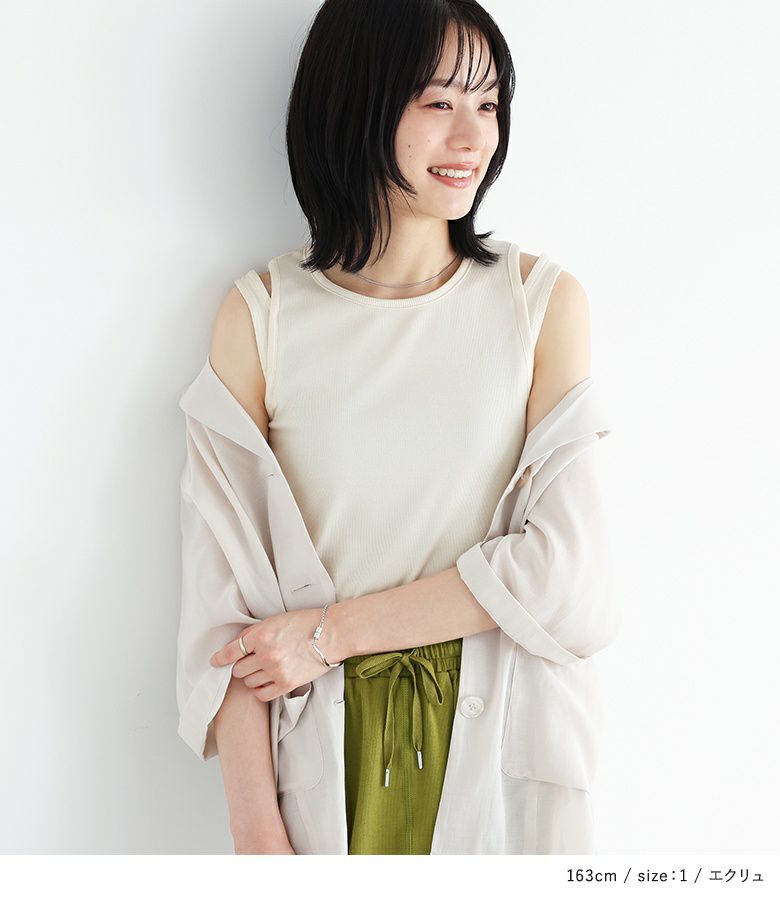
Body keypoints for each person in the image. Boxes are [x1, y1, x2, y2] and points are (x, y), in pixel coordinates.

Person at [203, 0, 590, 854]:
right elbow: (223, 608)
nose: (473, 137)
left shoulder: (539, 305)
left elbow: (570, 579)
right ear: (356, 101)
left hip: (503, 735)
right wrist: (257, 836)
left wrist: (330, 635)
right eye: (438, 101)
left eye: (488, 103)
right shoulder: (262, 316)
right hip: (324, 750)